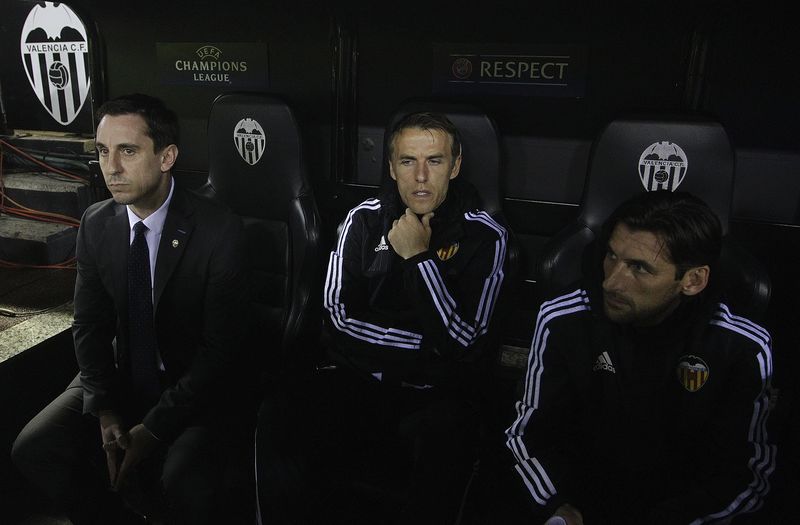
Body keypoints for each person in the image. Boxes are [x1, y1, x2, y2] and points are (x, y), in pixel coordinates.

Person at [12, 94, 254, 524]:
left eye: (127, 150)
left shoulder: (219, 228)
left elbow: (221, 351)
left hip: (190, 384)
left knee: (183, 481)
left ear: (167, 157)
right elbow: (89, 324)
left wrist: (152, 429)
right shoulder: (97, 222)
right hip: (123, 375)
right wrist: (104, 407)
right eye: (103, 151)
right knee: (35, 447)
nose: (111, 167)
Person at [257, 112, 508, 523]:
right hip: (362, 380)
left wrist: (418, 259)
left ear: (456, 166)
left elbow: (466, 343)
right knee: (282, 407)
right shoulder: (363, 219)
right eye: (408, 161)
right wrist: (425, 347)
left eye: (436, 161)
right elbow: (337, 319)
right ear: (392, 167)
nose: (421, 176)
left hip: (434, 396)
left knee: (450, 433)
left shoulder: (487, 235)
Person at [505, 190, 775, 524]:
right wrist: (555, 507)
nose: (612, 281)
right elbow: (526, 436)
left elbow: (747, 474)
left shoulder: (740, 347)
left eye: (639, 268)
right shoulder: (564, 318)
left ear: (692, 280)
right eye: (612, 256)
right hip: (582, 503)